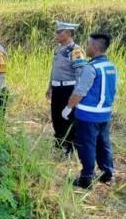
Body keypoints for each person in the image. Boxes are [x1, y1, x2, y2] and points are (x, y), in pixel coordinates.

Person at [62, 33, 117, 189]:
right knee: (103, 143)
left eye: (88, 45)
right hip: (105, 114)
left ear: (95, 47)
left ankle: (86, 179)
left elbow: (80, 91)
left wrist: (68, 108)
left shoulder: (90, 67)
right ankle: (107, 174)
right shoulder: (111, 67)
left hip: (88, 115)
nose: (86, 48)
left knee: (87, 146)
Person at [46, 20, 88, 156]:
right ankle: (59, 144)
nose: (56, 34)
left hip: (69, 89)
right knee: (56, 117)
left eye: (59, 32)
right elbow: (54, 70)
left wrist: (75, 94)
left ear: (69, 33)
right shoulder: (58, 49)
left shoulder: (75, 50)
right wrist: (50, 86)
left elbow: (80, 75)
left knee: (68, 118)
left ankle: (70, 148)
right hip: (57, 88)